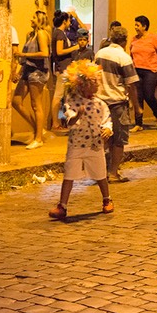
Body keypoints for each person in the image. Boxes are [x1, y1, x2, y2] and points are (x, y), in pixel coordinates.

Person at [48, 60, 114, 220]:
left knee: (100, 174)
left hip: (95, 145)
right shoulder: (71, 102)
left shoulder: (101, 104)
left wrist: (107, 129)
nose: (97, 85)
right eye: (93, 82)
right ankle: (62, 205)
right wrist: (78, 115)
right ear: (82, 84)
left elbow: (107, 119)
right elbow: (69, 121)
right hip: (76, 145)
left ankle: (107, 199)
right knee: (69, 175)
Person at [94, 26, 141, 182]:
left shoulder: (100, 53)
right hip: (117, 103)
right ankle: (113, 173)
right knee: (118, 140)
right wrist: (136, 106)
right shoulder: (124, 58)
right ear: (124, 40)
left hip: (100, 102)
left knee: (103, 139)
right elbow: (131, 84)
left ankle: (100, 172)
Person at [12, 10, 51, 150]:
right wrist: (20, 71)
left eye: (34, 17)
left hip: (37, 72)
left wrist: (23, 54)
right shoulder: (30, 35)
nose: (31, 19)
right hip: (27, 70)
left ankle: (38, 138)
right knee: (16, 101)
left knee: (36, 104)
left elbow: (44, 53)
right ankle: (38, 128)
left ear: (40, 20)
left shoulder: (41, 34)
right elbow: (25, 58)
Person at [129, 15, 157, 131]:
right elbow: (131, 53)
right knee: (138, 97)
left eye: (138, 25)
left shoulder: (153, 38)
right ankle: (138, 124)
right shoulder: (134, 39)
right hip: (136, 70)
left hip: (150, 70)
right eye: (135, 25)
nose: (135, 27)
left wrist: (154, 63)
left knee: (149, 95)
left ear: (144, 26)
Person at [50, 10, 79, 132]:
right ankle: (55, 124)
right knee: (58, 96)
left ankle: (62, 122)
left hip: (63, 68)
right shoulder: (60, 34)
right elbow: (59, 51)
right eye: (68, 20)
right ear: (64, 21)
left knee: (64, 96)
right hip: (62, 69)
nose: (69, 23)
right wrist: (74, 47)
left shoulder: (58, 32)